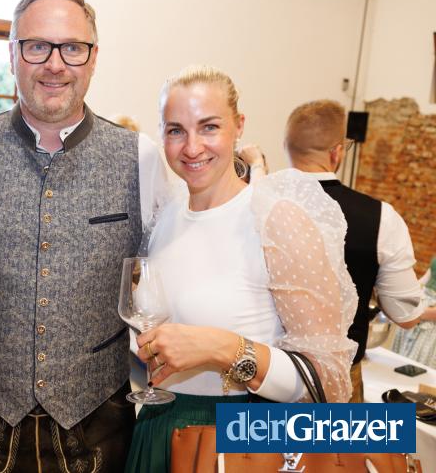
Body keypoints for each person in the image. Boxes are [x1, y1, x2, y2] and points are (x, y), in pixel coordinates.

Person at [0, 0, 169, 472]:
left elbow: (171, 271)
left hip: (98, 425)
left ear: (93, 59)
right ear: (12, 54)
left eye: (72, 48)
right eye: (37, 46)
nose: (55, 64)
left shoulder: (141, 158)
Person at [125, 66, 358, 472]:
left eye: (209, 127)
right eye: (176, 130)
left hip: (237, 442)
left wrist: (223, 348)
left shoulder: (275, 219)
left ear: (239, 126)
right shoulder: (166, 216)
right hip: (159, 429)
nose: (192, 147)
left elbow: (327, 380)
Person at [285, 99, 424, 401]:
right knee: (340, 437)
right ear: (337, 152)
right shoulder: (381, 218)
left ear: (287, 147)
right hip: (338, 381)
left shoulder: (255, 202)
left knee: (253, 436)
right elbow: (405, 314)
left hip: (262, 374)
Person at [394, 257, 436, 367]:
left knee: (416, 368)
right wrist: (408, 296)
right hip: (420, 304)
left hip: (430, 317)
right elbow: (428, 277)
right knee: (398, 361)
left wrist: (421, 313)